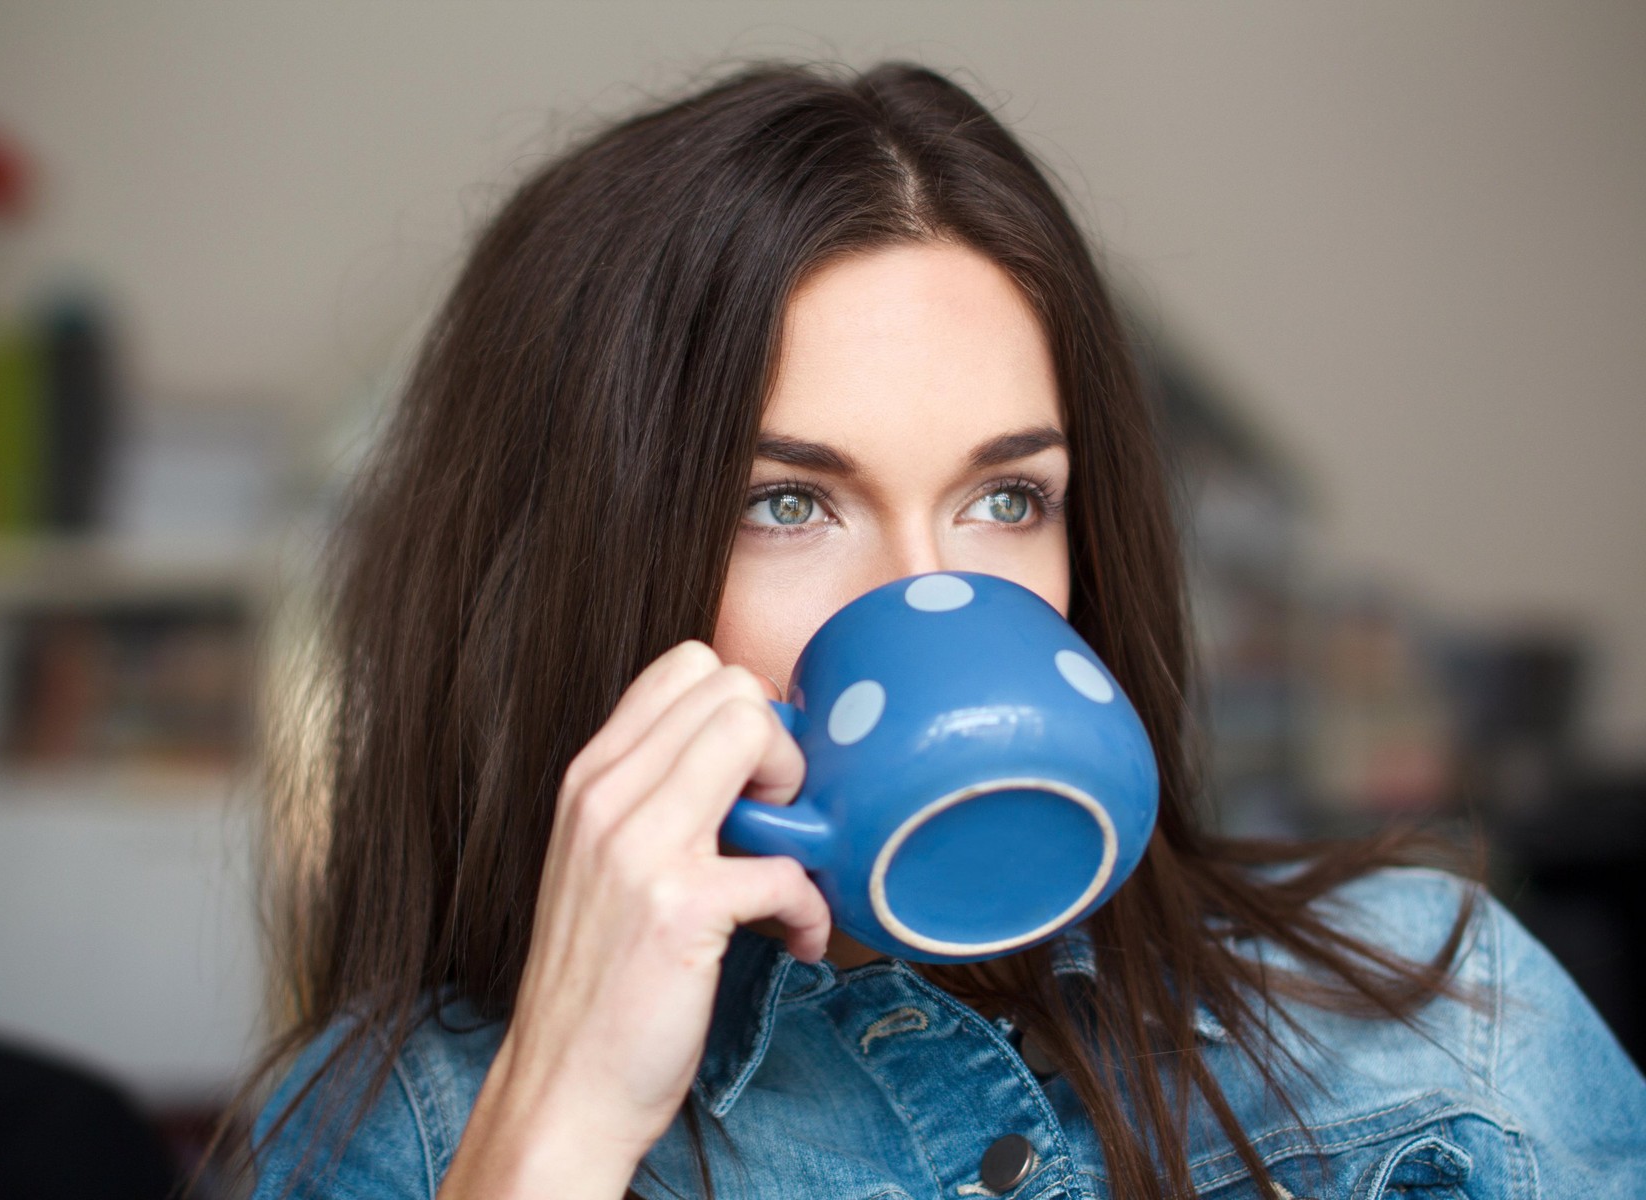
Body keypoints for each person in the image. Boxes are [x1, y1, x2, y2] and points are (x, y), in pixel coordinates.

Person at [229, 61, 1646, 1200]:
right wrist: (561, 1137)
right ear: (584, 567)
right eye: (787, 505)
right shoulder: (400, 1132)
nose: (923, 591)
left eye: (1006, 497)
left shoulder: (1437, 1004)